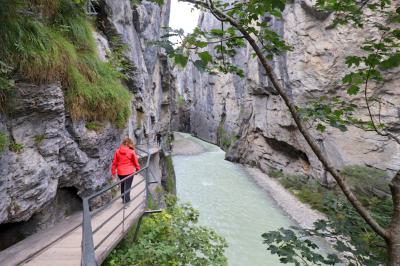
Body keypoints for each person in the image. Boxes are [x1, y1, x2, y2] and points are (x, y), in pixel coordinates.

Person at [111, 138, 141, 203]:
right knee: (128, 186)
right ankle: (126, 201)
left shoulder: (117, 151)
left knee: (123, 184)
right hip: (129, 172)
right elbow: (136, 162)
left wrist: (113, 172)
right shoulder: (131, 151)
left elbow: (114, 163)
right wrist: (138, 169)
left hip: (120, 172)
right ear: (130, 143)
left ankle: (123, 197)